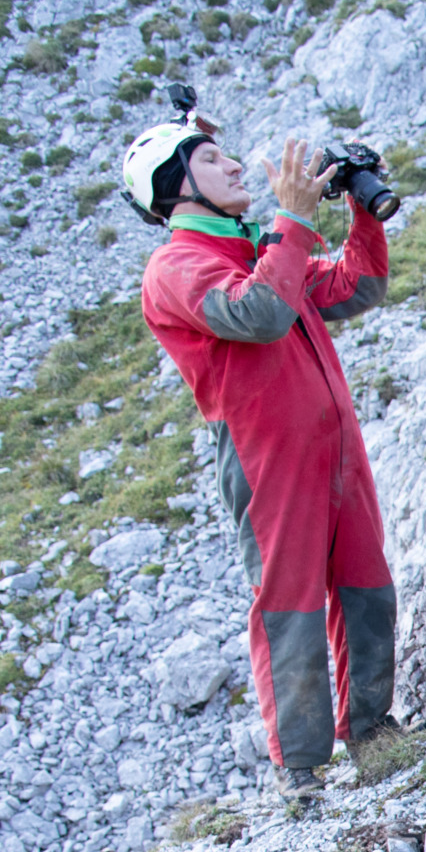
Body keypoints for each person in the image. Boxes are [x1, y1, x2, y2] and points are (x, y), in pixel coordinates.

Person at [122, 113, 397, 808]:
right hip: (267, 462)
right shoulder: (177, 267)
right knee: (291, 604)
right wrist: (293, 223)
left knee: (368, 589)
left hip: (338, 454)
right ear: (174, 186)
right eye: (213, 160)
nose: (237, 166)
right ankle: (301, 769)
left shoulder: (264, 249)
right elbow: (260, 315)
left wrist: (364, 213)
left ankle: (372, 731)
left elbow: (359, 287)